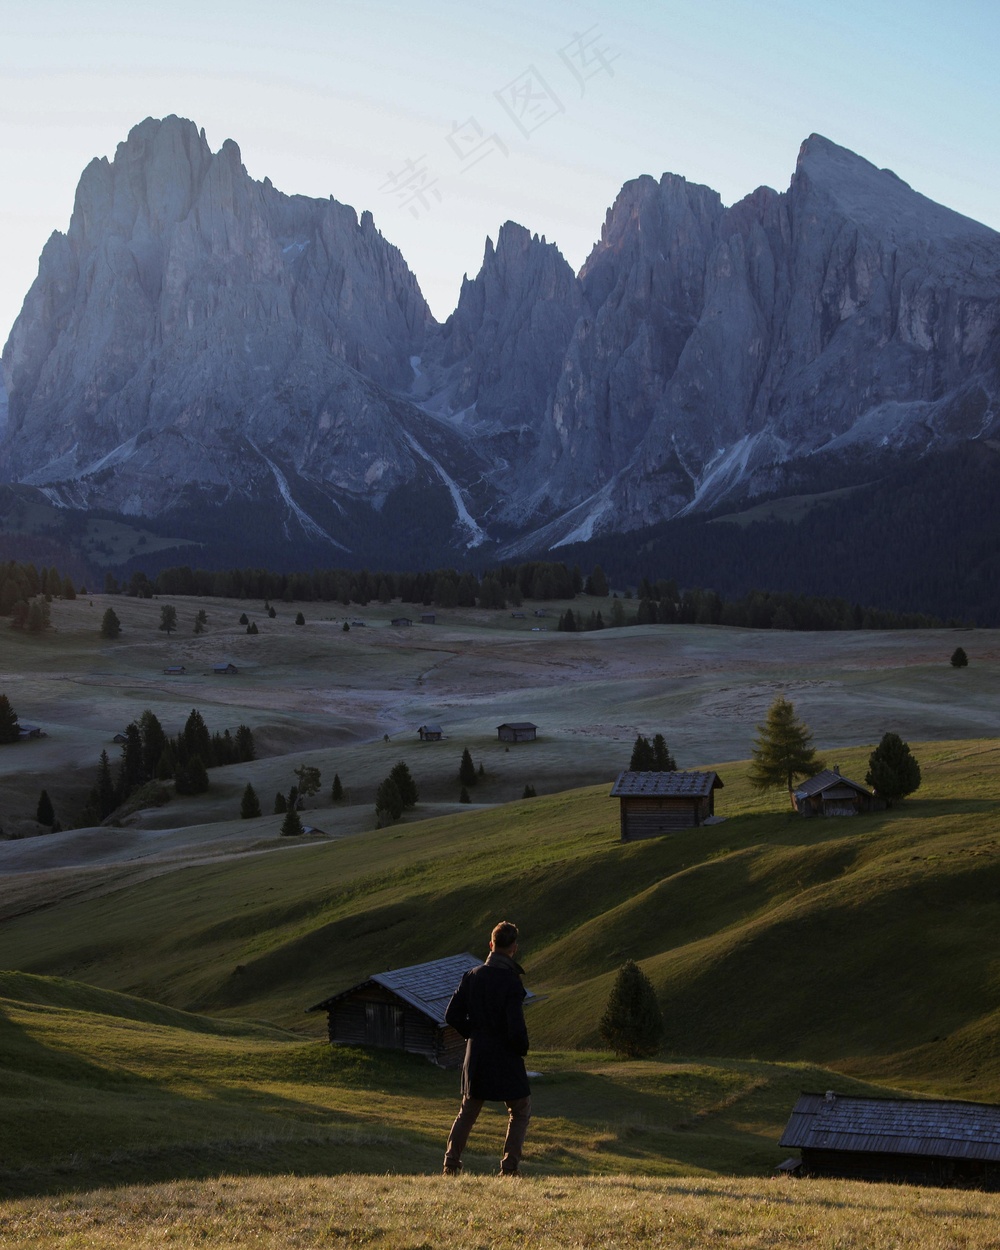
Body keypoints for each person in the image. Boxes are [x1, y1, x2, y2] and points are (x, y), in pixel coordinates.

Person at [442, 920, 531, 1176]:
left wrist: (474, 1034)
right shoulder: (512, 982)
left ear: (491, 944)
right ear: (513, 948)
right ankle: (509, 1168)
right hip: (505, 1054)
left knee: (467, 1111)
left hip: (478, 1053)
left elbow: (452, 1015)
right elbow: (516, 1024)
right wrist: (520, 1048)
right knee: (519, 1109)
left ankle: (451, 1163)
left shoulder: (472, 976)